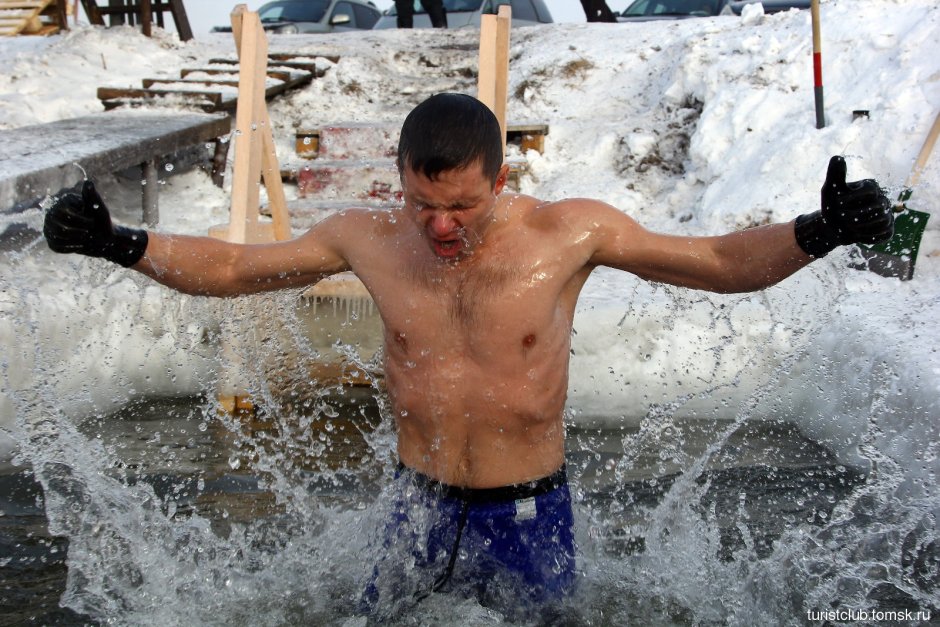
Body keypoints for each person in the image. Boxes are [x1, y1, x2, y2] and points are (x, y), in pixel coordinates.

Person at [43, 93, 892, 615]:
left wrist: (817, 232)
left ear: (500, 177)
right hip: (413, 509)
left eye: (463, 206)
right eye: (422, 204)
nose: (441, 227)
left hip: (528, 515)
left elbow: (713, 264)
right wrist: (120, 241)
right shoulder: (367, 239)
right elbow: (235, 269)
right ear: (399, 178)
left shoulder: (569, 234)